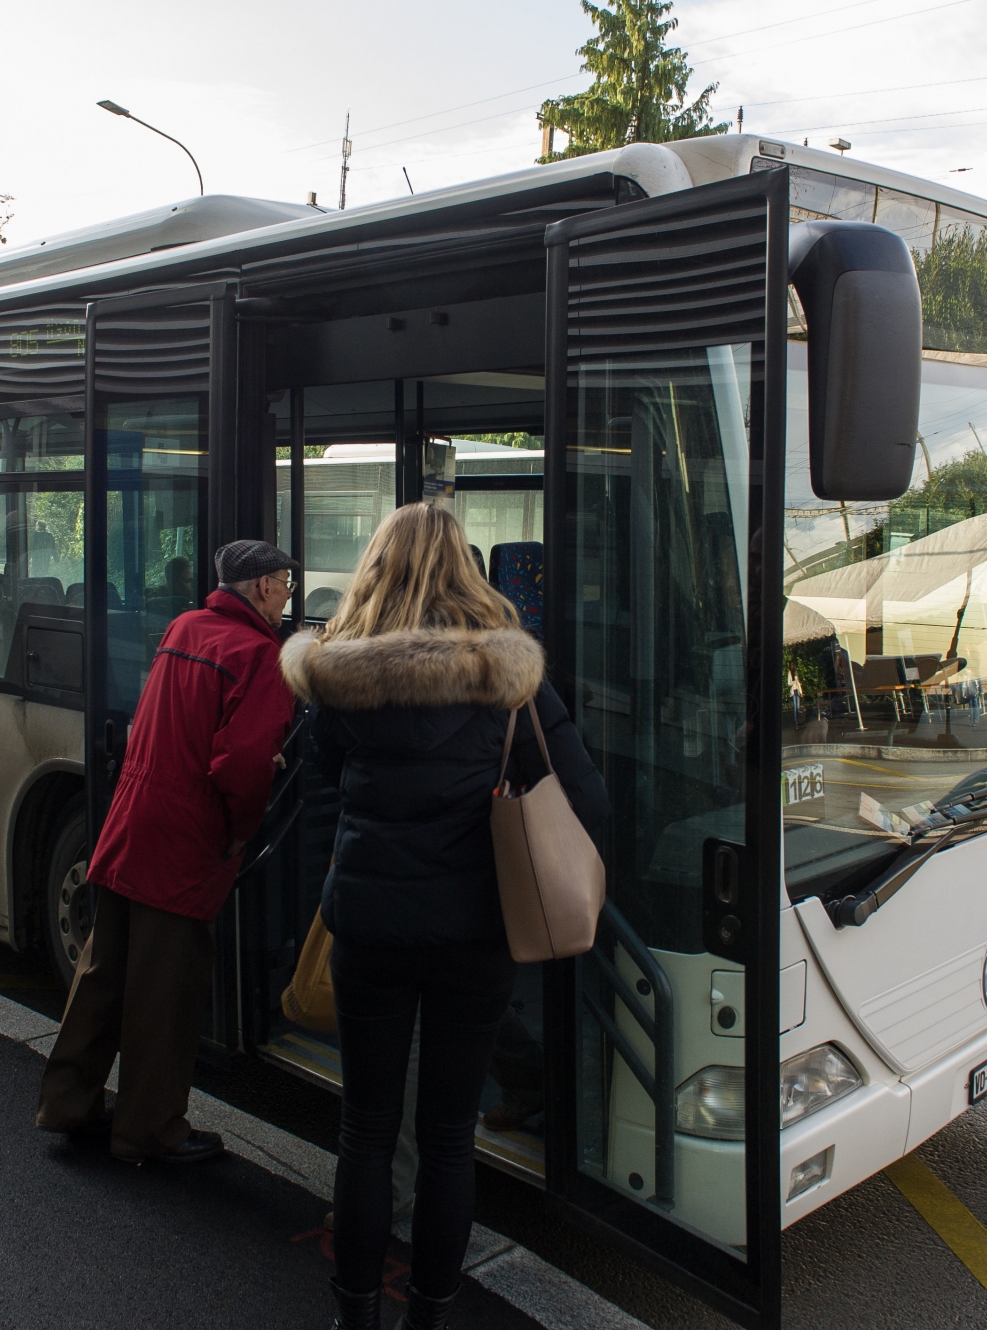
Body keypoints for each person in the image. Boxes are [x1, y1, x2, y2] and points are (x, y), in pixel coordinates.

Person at [280, 504, 607, 1330]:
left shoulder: (335, 676)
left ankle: (354, 1316)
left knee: (365, 1129)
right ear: (467, 570)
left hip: (368, 929)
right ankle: (430, 1315)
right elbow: (588, 802)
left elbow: (318, 782)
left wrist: (357, 841)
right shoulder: (510, 683)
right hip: (475, 936)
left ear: (375, 570)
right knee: (450, 1138)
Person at [34, 539, 297, 1163]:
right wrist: (241, 829)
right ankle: (148, 1131)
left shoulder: (184, 627)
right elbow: (239, 765)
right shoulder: (260, 656)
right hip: (184, 842)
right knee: (165, 994)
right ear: (260, 586)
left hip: (132, 826)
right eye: (285, 583)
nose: (288, 595)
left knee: (102, 976)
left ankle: (67, 1103)